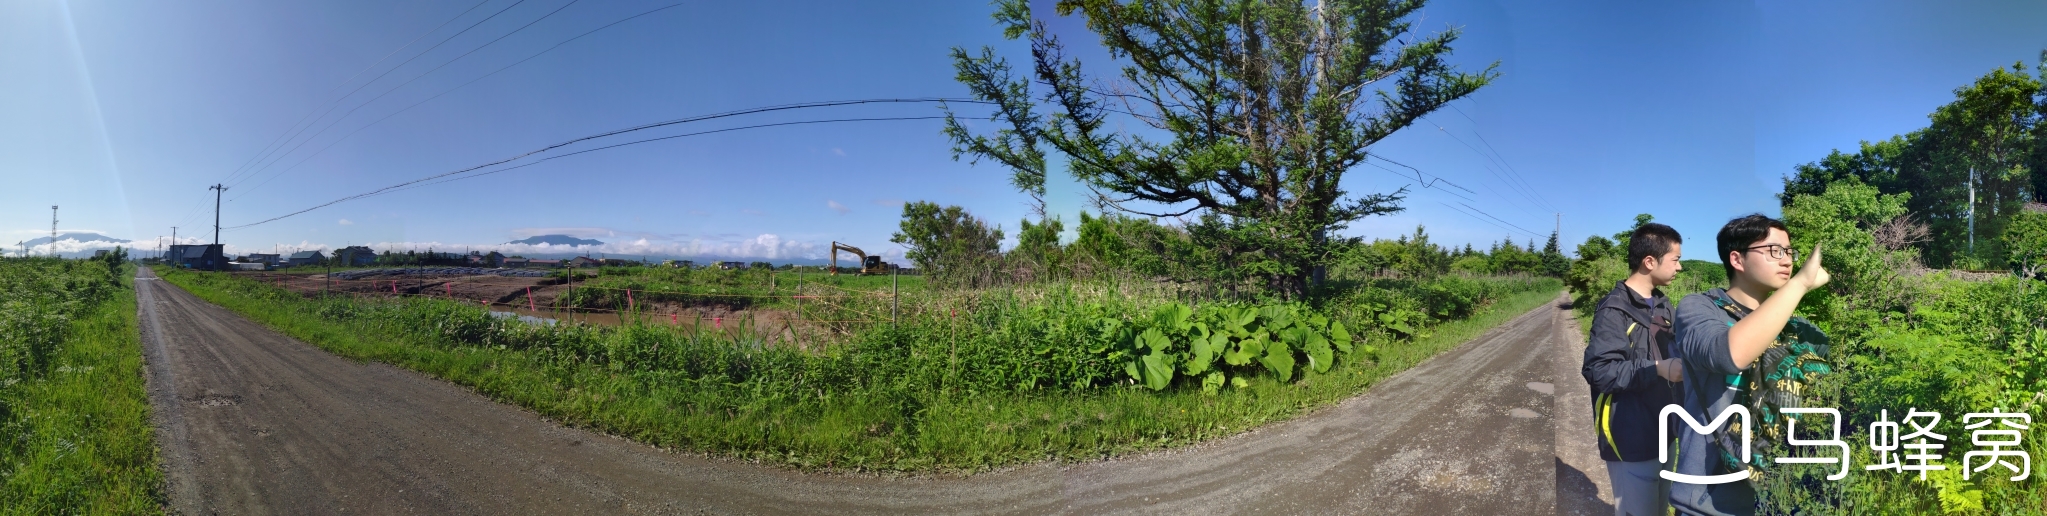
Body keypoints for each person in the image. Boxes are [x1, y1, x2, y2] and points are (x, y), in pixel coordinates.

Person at [1669, 214, 1830, 516]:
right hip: (1708, 499)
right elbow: (1728, 354)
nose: (1787, 260)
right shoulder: (1700, 308)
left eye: (1789, 252)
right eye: (1774, 251)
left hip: (1776, 495)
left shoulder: (1794, 327)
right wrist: (1799, 286)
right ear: (1737, 259)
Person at [1582, 222, 1686, 516]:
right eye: (1675, 259)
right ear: (1650, 261)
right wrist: (1658, 368)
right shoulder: (1614, 310)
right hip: (1630, 438)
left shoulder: (1664, 306)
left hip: (1665, 432)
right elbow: (1599, 371)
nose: (1679, 268)